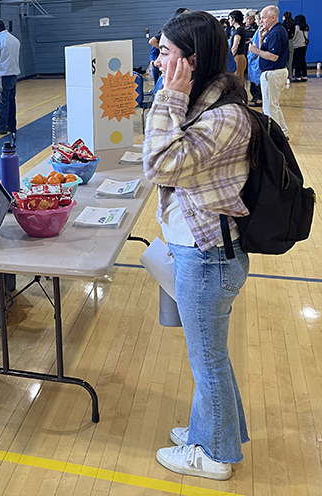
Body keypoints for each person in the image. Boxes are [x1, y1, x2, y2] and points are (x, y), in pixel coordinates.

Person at [144, 11, 255, 480]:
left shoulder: (226, 116)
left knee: (206, 361)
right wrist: (174, 96)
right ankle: (210, 431)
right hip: (199, 254)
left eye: (165, 53)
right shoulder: (203, 104)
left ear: (190, 61)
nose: (156, 61)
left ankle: (215, 457)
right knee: (211, 359)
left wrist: (169, 95)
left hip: (209, 259)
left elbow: (160, 164)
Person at [249, 5, 290, 138]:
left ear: (273, 18)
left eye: (264, 18)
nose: (261, 21)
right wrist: (261, 39)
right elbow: (265, 52)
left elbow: (273, 56)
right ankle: (283, 132)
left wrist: (255, 51)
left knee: (269, 107)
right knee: (274, 105)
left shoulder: (277, 32)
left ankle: (274, 136)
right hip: (273, 72)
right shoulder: (272, 31)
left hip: (273, 72)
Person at [228, 10, 247, 80]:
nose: (229, 21)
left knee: (237, 78)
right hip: (240, 56)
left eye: (229, 19)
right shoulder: (240, 29)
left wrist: (230, 58)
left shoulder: (238, 31)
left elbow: (235, 47)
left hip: (237, 57)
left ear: (233, 19)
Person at [292, 15, 309, 82]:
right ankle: (304, 75)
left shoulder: (297, 28)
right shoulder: (306, 27)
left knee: (297, 62)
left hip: (297, 46)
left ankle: (298, 76)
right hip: (304, 46)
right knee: (303, 61)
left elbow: (294, 37)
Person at [282, 11, 296, 80]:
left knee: (284, 61)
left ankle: (284, 76)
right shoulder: (293, 24)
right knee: (290, 62)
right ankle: (290, 76)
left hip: (284, 43)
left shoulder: (282, 25)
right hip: (290, 42)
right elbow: (293, 35)